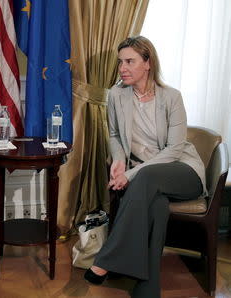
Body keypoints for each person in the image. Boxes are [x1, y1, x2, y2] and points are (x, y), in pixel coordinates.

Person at [83, 36, 206, 297]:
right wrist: (118, 160)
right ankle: (148, 289)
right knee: (157, 205)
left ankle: (106, 260)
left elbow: (174, 150)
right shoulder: (117, 94)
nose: (122, 68)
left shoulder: (172, 97)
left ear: (147, 63)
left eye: (130, 61)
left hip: (182, 170)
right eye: (120, 62)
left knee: (147, 176)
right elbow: (115, 135)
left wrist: (129, 173)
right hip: (148, 177)